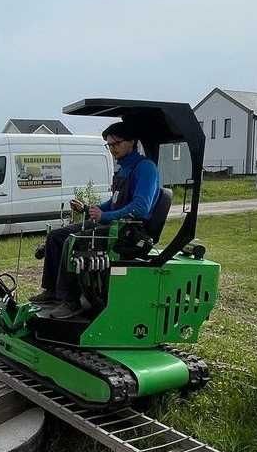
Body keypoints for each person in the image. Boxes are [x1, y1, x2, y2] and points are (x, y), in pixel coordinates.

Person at [31, 122, 161, 318]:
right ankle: (52, 292)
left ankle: (71, 301)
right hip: (114, 224)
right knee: (56, 237)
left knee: (73, 241)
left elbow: (140, 208)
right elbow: (116, 202)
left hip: (130, 232)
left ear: (132, 142)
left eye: (116, 143)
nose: (112, 149)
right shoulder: (124, 168)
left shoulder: (145, 168)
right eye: (109, 145)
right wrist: (90, 209)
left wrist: (105, 216)